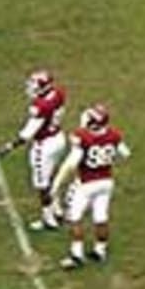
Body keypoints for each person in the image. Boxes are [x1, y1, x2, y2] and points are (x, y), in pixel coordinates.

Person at [50, 103, 131, 270]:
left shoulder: (83, 137)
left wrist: (57, 183)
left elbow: (71, 164)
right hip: (106, 182)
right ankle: (100, 250)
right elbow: (125, 153)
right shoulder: (113, 134)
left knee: (75, 217)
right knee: (101, 217)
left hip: (87, 182)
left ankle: (76, 255)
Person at [0, 69, 69, 231]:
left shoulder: (41, 106)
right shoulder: (58, 93)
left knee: (41, 184)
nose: (31, 88)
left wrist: (10, 146)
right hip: (59, 138)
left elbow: (28, 133)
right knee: (49, 178)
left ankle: (48, 219)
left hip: (44, 145)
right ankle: (57, 210)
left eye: (35, 85)